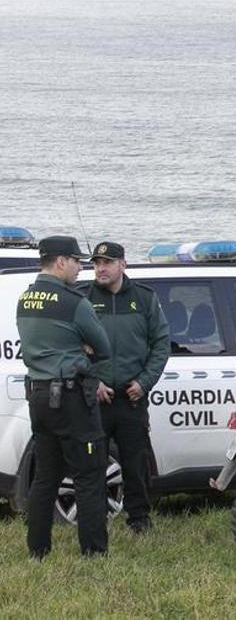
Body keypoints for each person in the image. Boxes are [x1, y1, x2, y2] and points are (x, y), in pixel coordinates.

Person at [16, 236, 113, 558]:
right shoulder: (74, 302)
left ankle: (38, 550)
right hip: (72, 398)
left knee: (45, 477)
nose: (80, 266)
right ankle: (94, 552)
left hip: (40, 397)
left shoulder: (25, 299)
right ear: (60, 262)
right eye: (75, 260)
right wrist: (81, 353)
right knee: (89, 474)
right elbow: (104, 349)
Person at [81, 241, 170, 535]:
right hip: (97, 397)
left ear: (123, 265)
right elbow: (72, 348)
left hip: (131, 397)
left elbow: (161, 345)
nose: (101, 268)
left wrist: (144, 383)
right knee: (93, 463)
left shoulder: (144, 298)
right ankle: (93, 521)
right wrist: (93, 381)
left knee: (136, 462)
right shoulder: (84, 299)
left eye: (107, 262)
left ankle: (139, 520)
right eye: (96, 263)